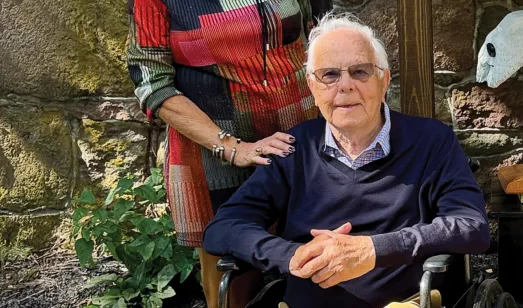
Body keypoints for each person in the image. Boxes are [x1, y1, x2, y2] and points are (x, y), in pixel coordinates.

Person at [126, 0, 332, 307]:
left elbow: (328, 33)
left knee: (323, 274)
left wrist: (344, 128)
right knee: (236, 291)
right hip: (218, 156)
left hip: (304, 138)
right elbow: (152, 82)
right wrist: (232, 148)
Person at [203, 15, 491, 308]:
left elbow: (470, 225)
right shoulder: (292, 149)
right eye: (329, 75)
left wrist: (373, 250)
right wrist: (291, 255)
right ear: (312, 87)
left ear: (384, 80)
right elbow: (223, 227)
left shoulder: (431, 141)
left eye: (360, 71)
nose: (345, 86)